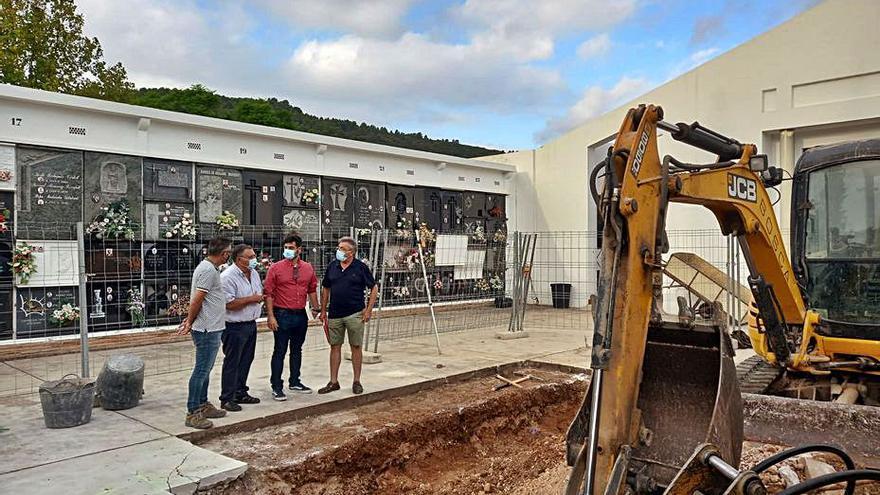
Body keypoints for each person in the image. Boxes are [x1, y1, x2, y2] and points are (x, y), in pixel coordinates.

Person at [178, 237, 232, 429]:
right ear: (224, 253)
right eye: (229, 252)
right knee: (201, 370)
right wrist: (189, 321)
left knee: (206, 369)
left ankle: (202, 403)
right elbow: (196, 300)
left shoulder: (210, 268)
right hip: (207, 328)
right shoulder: (208, 270)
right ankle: (193, 412)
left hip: (212, 326)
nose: (229, 255)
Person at [264, 232, 320, 401]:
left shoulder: (308, 268)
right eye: (286, 248)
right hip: (282, 314)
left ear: (299, 250)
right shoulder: (276, 268)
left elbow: (311, 289)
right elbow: (269, 293)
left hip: (300, 314)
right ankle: (276, 385)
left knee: (297, 350)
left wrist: (316, 308)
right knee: (279, 350)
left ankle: (295, 380)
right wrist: (271, 316)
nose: (288, 251)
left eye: (291, 248)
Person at [318, 236, 378, 395]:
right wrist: (323, 310)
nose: (339, 251)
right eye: (339, 248)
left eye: (342, 248)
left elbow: (374, 288)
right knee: (335, 346)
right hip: (335, 314)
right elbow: (325, 288)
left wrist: (369, 309)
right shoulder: (333, 266)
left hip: (355, 313)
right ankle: (333, 381)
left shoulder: (360, 268)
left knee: (356, 347)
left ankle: (356, 381)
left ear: (351, 252)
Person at [218, 243, 263, 412]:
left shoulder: (254, 274)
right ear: (239, 259)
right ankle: (227, 398)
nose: (254, 259)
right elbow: (229, 304)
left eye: (254, 256)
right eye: (250, 257)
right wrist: (251, 299)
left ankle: (240, 391)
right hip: (234, 326)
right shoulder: (228, 277)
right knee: (232, 362)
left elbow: (258, 293)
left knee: (246, 359)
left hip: (250, 324)